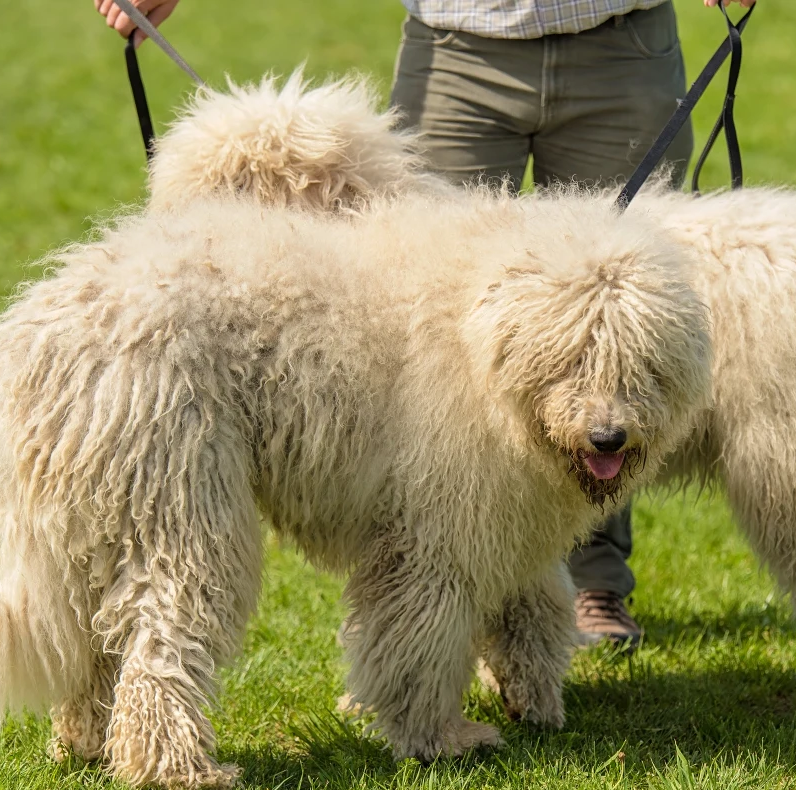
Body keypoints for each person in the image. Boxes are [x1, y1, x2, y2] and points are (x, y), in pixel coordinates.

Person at [94, 0, 753, 652]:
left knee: (614, 341)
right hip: (455, 51)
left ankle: (589, 586)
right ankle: (410, 612)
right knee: (422, 355)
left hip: (624, 44)